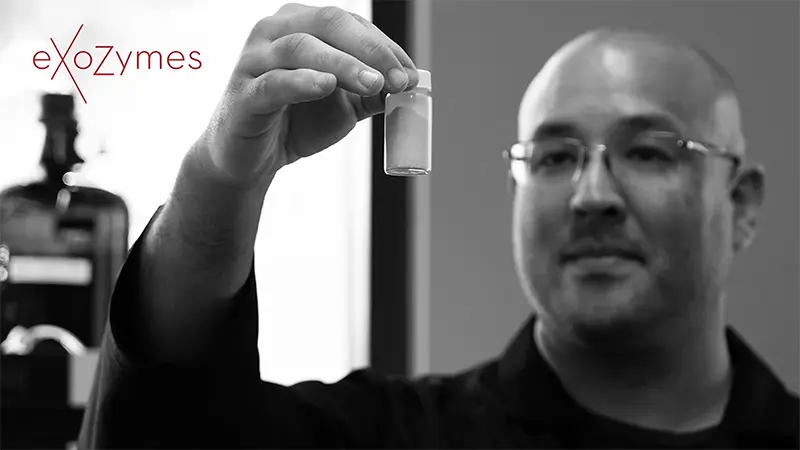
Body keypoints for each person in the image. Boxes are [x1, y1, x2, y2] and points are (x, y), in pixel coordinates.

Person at [78, 3, 799, 449]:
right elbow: (164, 431)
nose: (590, 195)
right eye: (554, 156)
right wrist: (221, 181)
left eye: (648, 151)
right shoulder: (393, 434)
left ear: (742, 203)